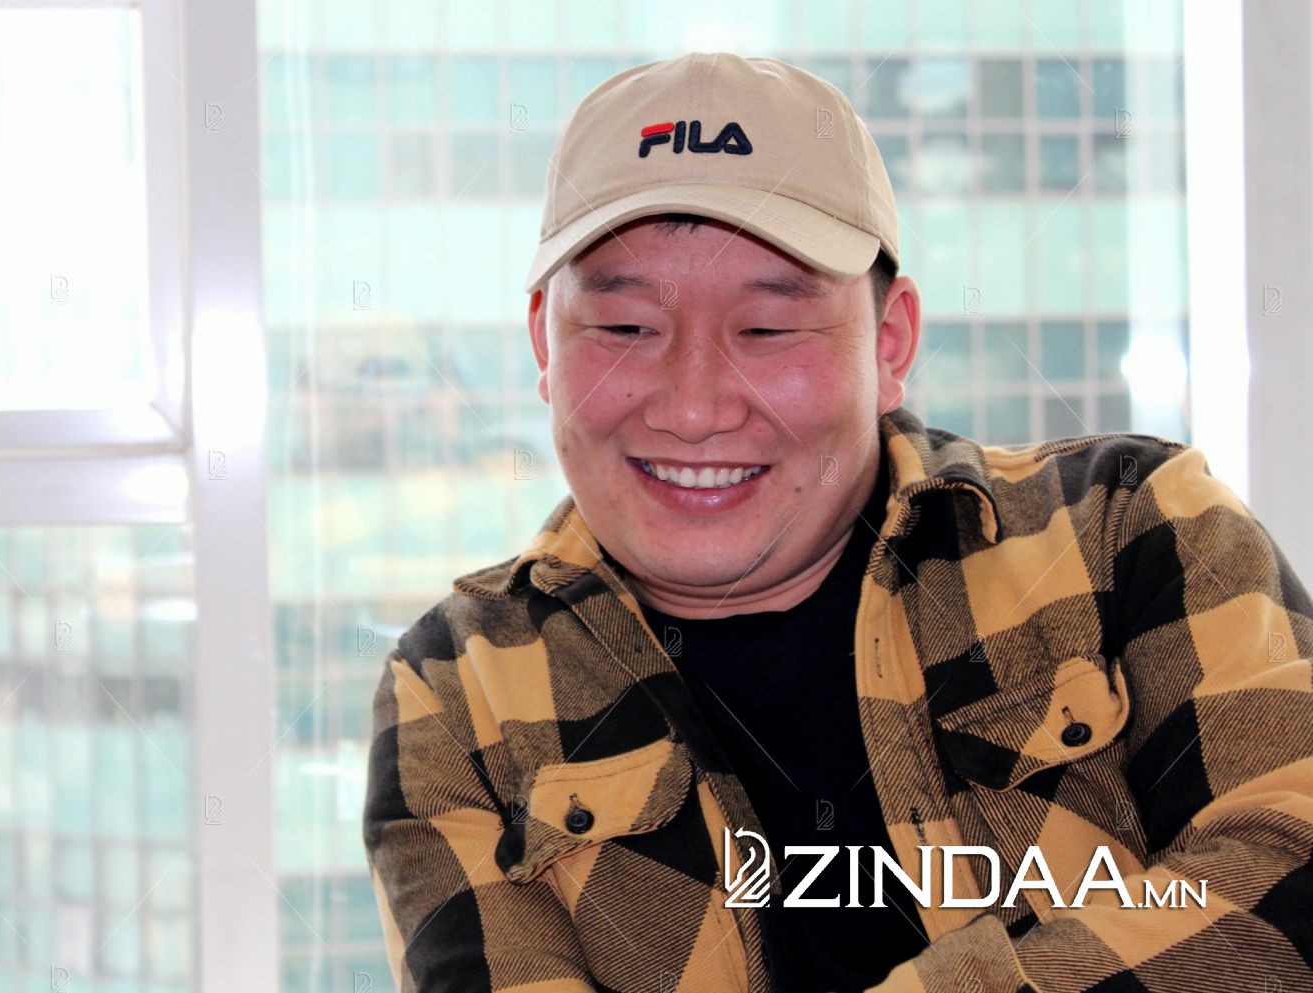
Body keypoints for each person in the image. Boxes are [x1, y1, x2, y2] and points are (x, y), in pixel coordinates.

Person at [362, 51, 1313, 993]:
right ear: (544, 338)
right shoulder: (460, 691)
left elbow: (1290, 877)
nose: (693, 408)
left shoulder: (1127, 531)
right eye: (624, 329)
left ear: (889, 341)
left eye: (768, 329)